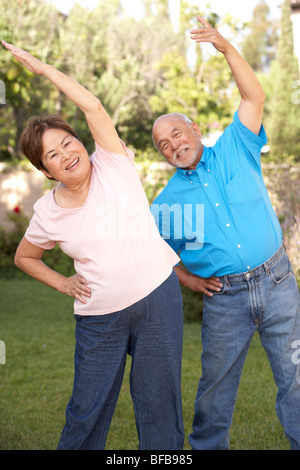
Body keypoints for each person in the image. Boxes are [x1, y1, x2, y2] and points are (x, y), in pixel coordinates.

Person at [2, 40, 185, 450]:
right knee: (86, 413)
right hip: (100, 318)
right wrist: (64, 283)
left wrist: (45, 70)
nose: (66, 154)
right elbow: (25, 257)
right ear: (46, 170)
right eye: (52, 154)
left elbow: (94, 107)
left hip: (158, 299)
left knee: (160, 410)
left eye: (68, 143)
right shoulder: (47, 212)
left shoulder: (113, 161)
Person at [151, 16, 300, 450]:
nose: (173, 144)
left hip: (277, 283)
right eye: (163, 144)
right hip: (226, 301)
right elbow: (157, 253)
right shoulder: (165, 203)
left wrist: (224, 47)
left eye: (177, 133)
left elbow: (254, 95)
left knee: (295, 379)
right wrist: (190, 280)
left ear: (195, 129)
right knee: (215, 391)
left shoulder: (237, 144)